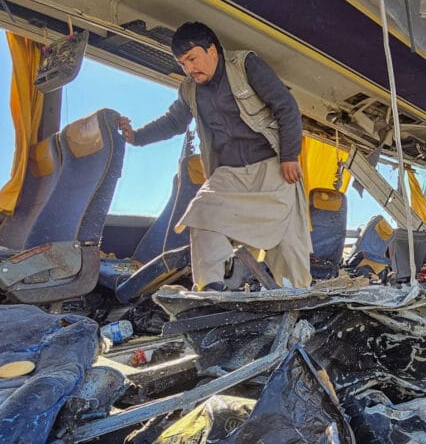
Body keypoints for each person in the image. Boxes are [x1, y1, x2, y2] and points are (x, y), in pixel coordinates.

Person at [118, 22, 312, 290]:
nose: (189, 69)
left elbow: (286, 107)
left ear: (212, 50)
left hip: (272, 167)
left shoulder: (245, 66)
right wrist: (136, 137)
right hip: (228, 174)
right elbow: (173, 122)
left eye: (192, 58)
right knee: (201, 213)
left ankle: (297, 297)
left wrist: (289, 155)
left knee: (288, 244)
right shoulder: (189, 90)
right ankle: (211, 290)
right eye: (182, 63)